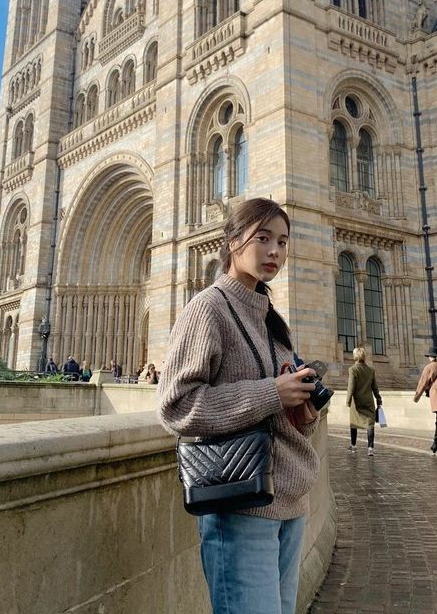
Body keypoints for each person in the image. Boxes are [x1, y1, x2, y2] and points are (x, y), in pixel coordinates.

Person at [158, 197, 321, 614]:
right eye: (263, 238)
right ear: (232, 241)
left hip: (291, 501)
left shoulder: (270, 318)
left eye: (283, 242)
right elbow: (175, 405)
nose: (275, 252)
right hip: (241, 505)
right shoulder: (207, 309)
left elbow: (282, 413)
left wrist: (301, 407)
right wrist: (271, 392)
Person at [346, 346, 382, 457]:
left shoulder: (353, 369)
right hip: (369, 401)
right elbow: (375, 387)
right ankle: (370, 448)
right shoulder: (371, 370)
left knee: (354, 423)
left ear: (355, 356)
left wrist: (348, 401)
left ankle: (353, 445)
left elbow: (351, 386)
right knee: (370, 424)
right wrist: (378, 399)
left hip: (356, 402)